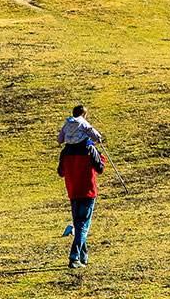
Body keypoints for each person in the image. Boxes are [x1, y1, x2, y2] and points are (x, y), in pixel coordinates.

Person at [56, 105, 106, 269]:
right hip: (87, 190)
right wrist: (101, 156)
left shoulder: (65, 152)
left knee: (79, 224)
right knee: (83, 225)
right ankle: (74, 257)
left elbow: (61, 172)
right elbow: (100, 168)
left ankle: (83, 257)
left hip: (73, 190)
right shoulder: (89, 148)